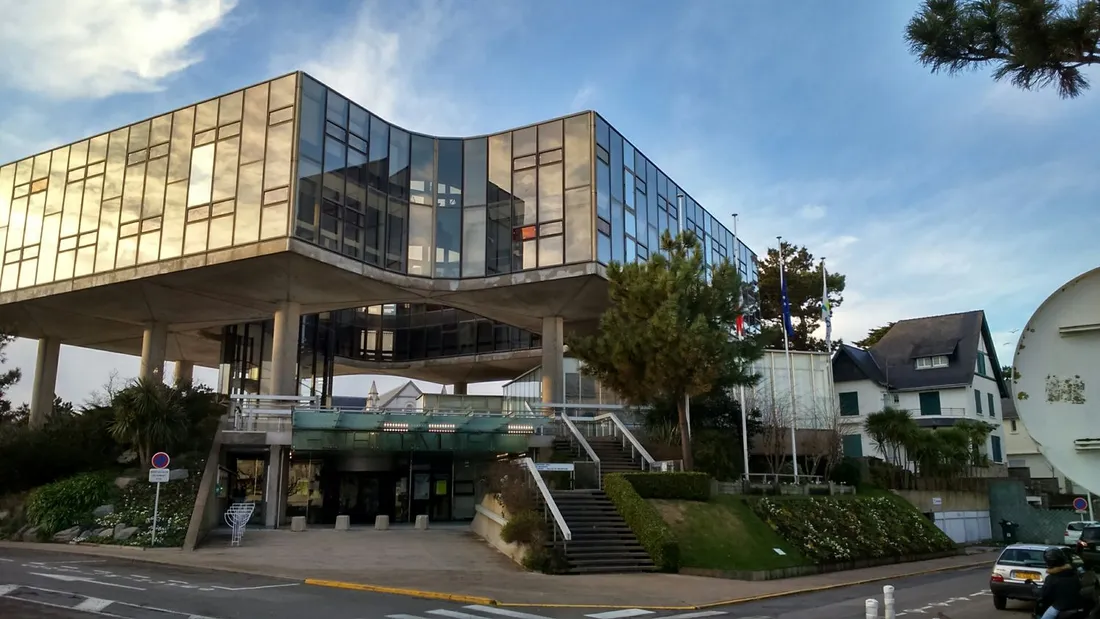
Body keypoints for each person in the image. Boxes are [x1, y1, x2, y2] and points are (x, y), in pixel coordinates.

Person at [1040, 547, 1082, 619]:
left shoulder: (1051, 578)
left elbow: (1045, 594)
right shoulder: (1075, 573)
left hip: (1060, 607)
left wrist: (1036, 591)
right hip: (1078, 606)